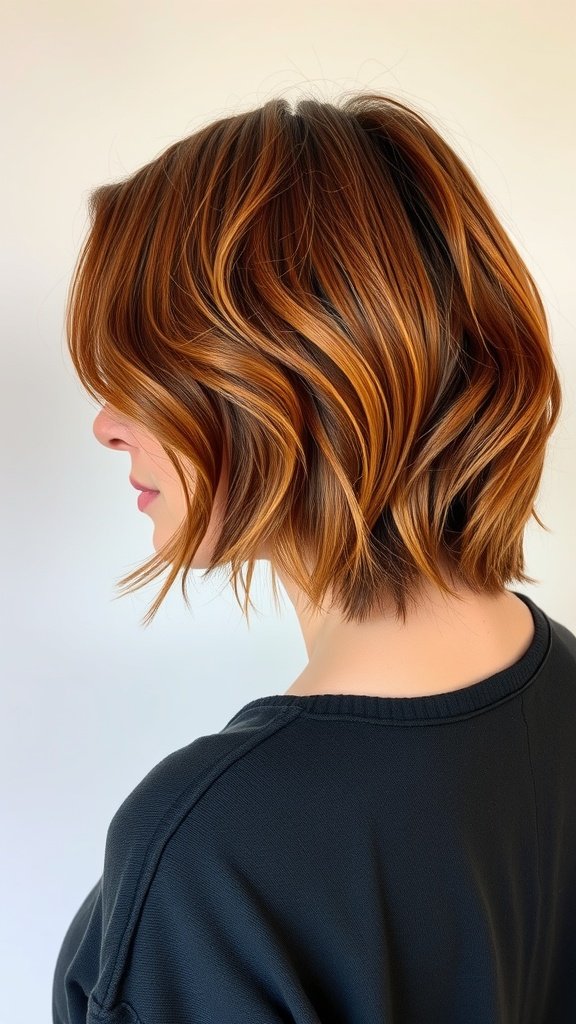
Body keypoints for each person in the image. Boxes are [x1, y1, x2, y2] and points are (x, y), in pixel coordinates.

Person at [53, 92, 575, 1024]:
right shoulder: (562, 682)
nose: (106, 424)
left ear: (277, 381)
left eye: (140, 373)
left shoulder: (216, 851)